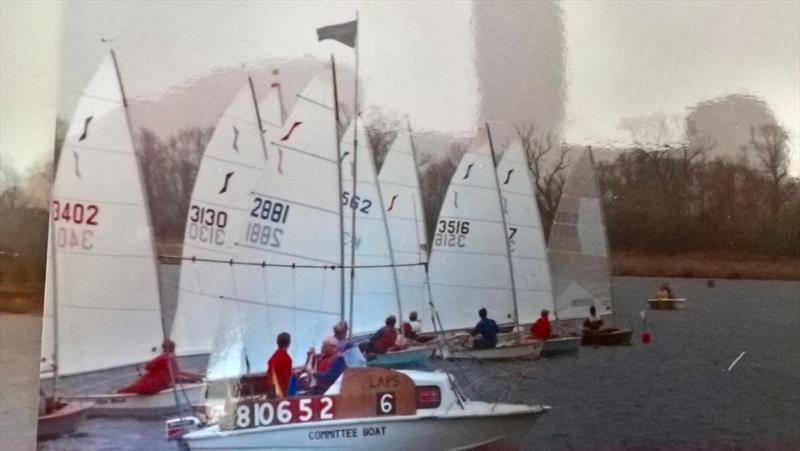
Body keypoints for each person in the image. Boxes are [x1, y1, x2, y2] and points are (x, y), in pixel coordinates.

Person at [266, 332, 292, 398]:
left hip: (272, 392)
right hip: (282, 394)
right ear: (289, 343)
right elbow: (288, 379)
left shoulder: (272, 358)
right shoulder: (287, 359)